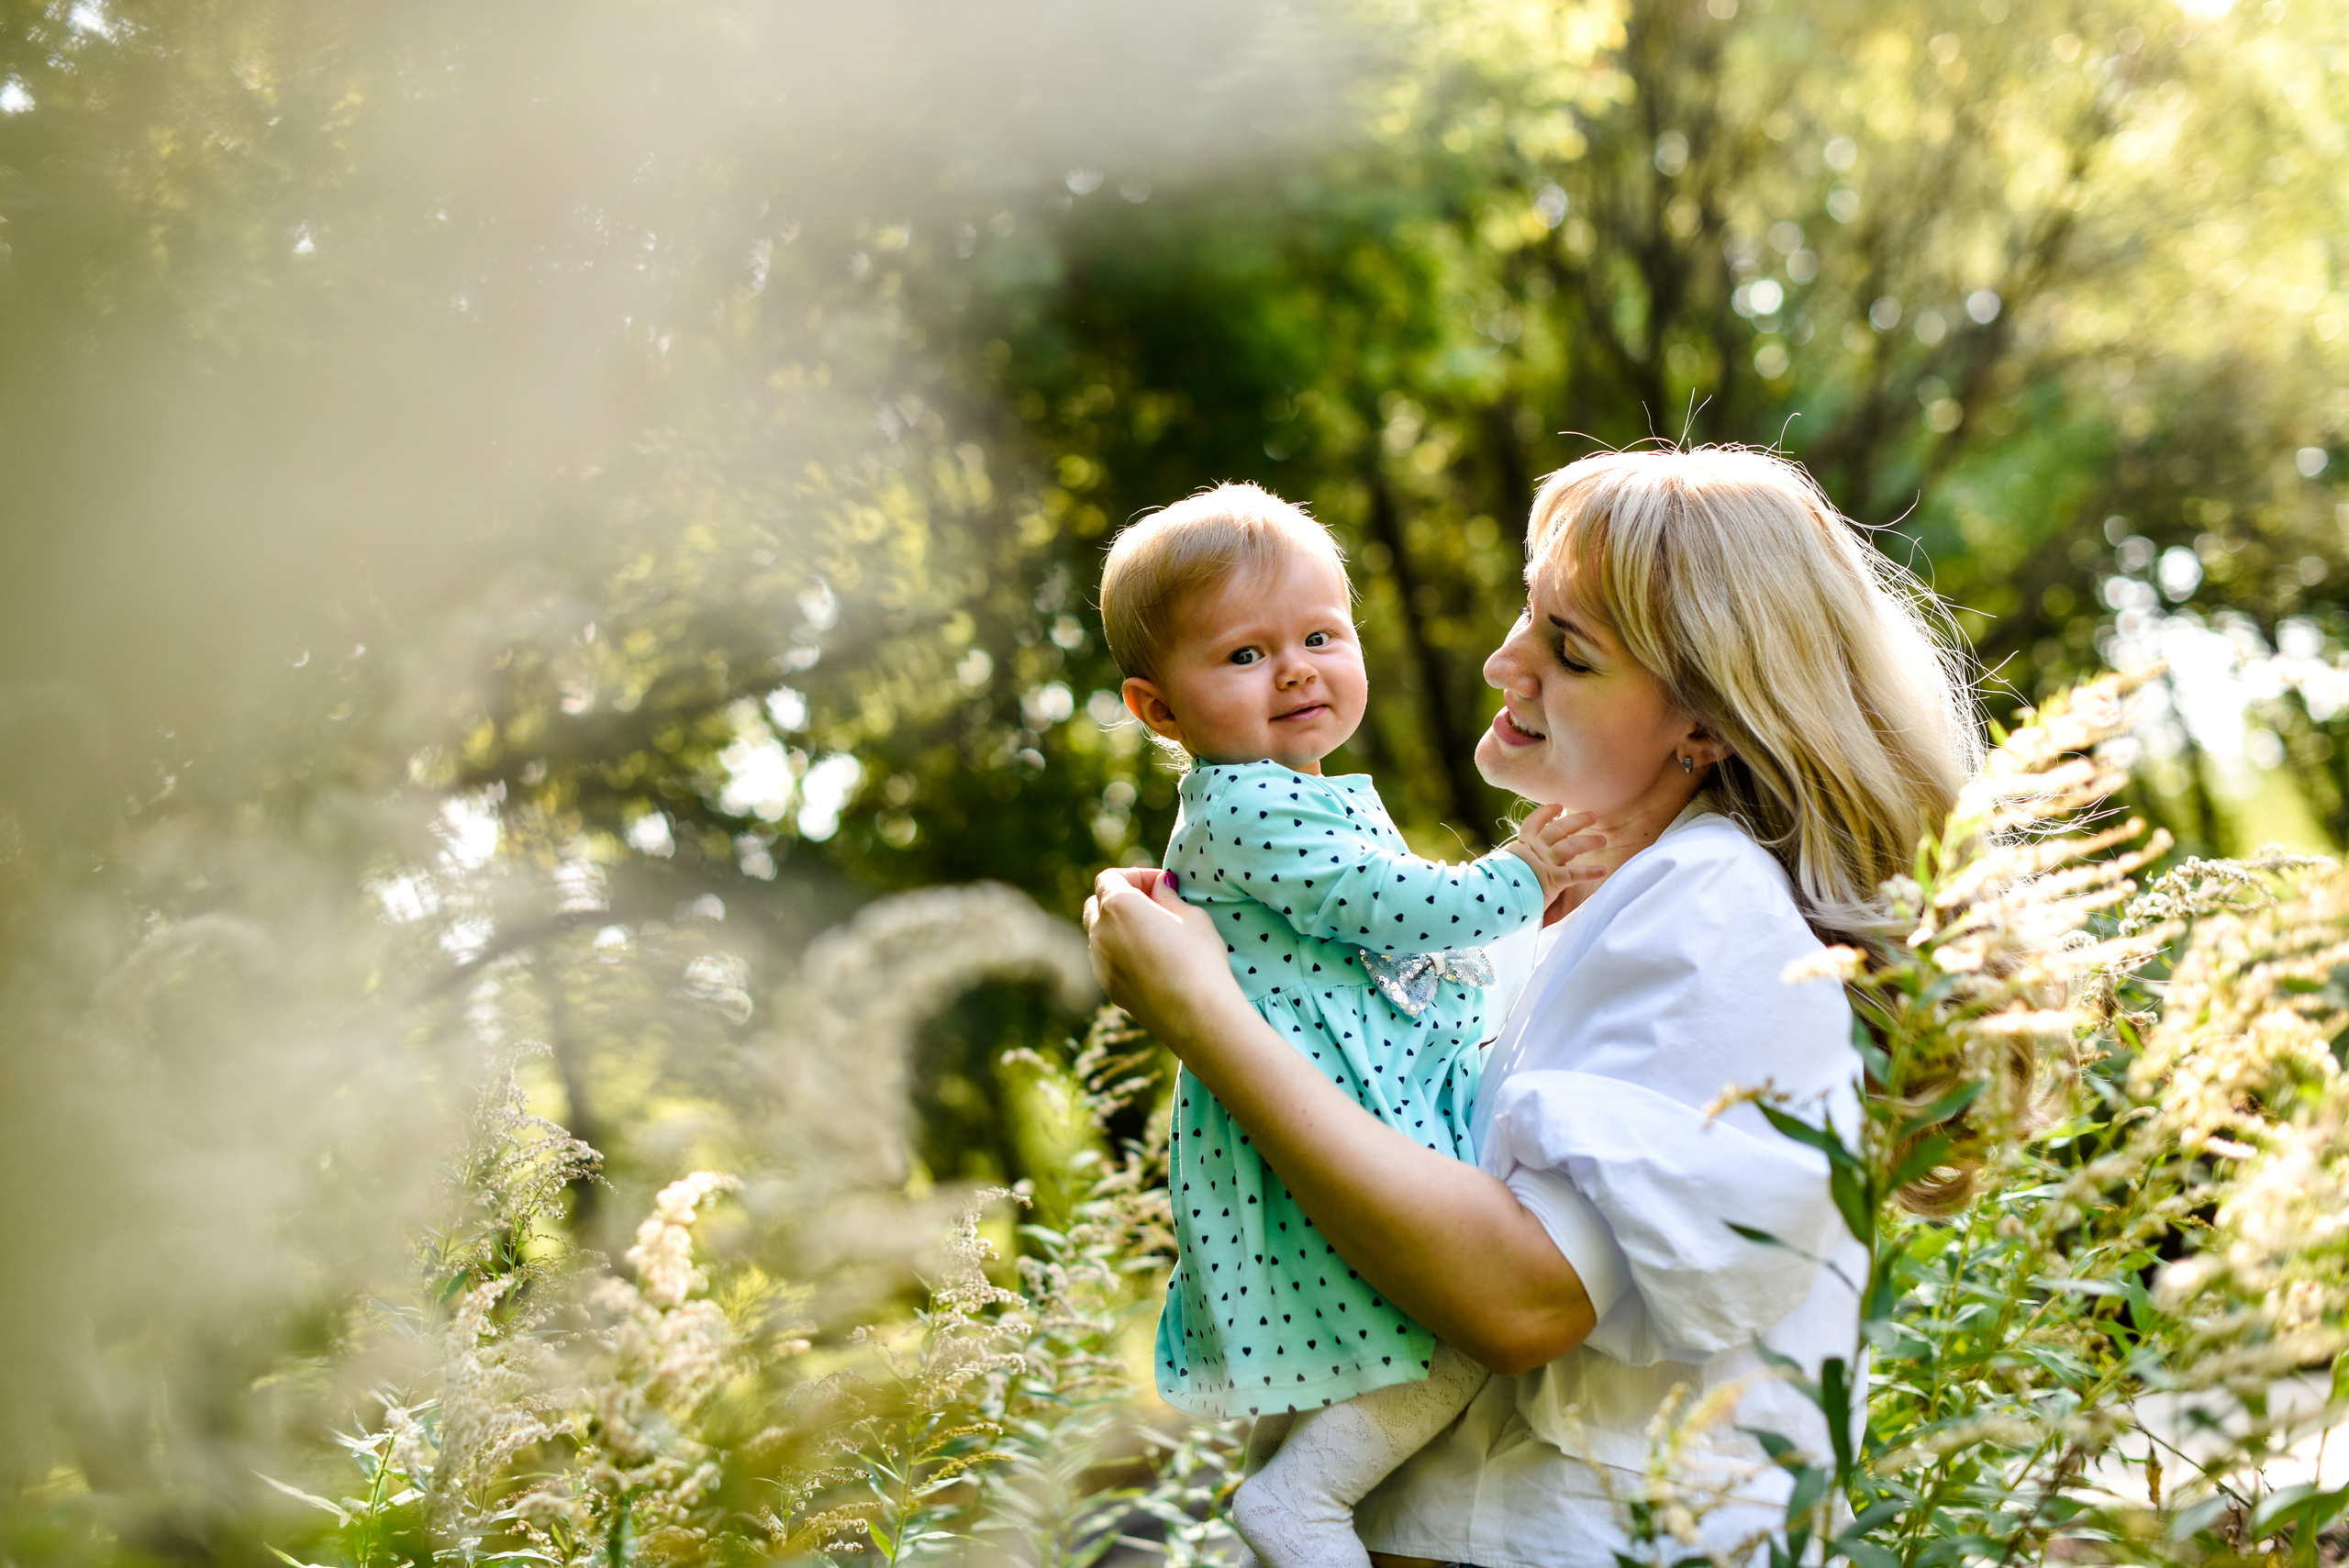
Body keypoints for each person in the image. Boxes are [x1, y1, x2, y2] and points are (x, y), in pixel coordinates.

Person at [1086, 448, 1980, 1568]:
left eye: (1567, 648)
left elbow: (1523, 1301)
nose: (1504, 661)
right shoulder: (1594, 909)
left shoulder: (1711, 910)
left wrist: (1205, 1019)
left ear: (1703, 724)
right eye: (1527, 615)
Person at [1097, 484, 1602, 1568]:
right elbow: (1390, 908)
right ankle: (1301, 1503)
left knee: (1356, 1351)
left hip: (1342, 1096)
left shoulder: (1293, 795)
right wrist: (1520, 873)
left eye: (1321, 635)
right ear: (1157, 707)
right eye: (1242, 654)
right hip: (1328, 1119)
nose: (1294, 668)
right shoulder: (1245, 807)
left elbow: (1389, 938)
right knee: (1454, 1336)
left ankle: (1298, 1497)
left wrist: (1516, 912)